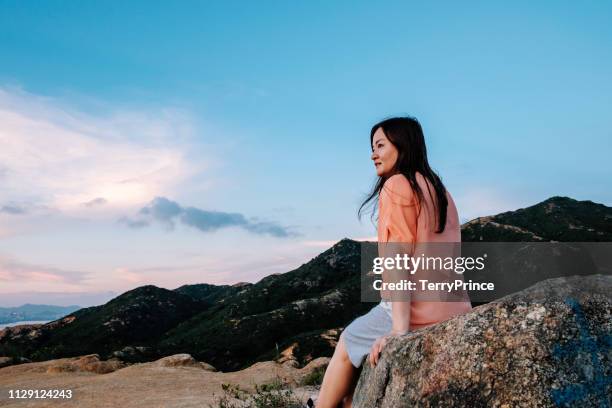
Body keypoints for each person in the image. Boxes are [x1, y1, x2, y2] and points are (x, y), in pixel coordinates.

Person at [312, 116, 473, 408]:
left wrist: (400, 332)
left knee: (349, 341)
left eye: (380, 145)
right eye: (372, 147)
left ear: (402, 144)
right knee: (354, 381)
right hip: (455, 307)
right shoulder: (440, 189)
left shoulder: (397, 185)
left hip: (416, 310)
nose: (373, 154)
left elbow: (397, 260)